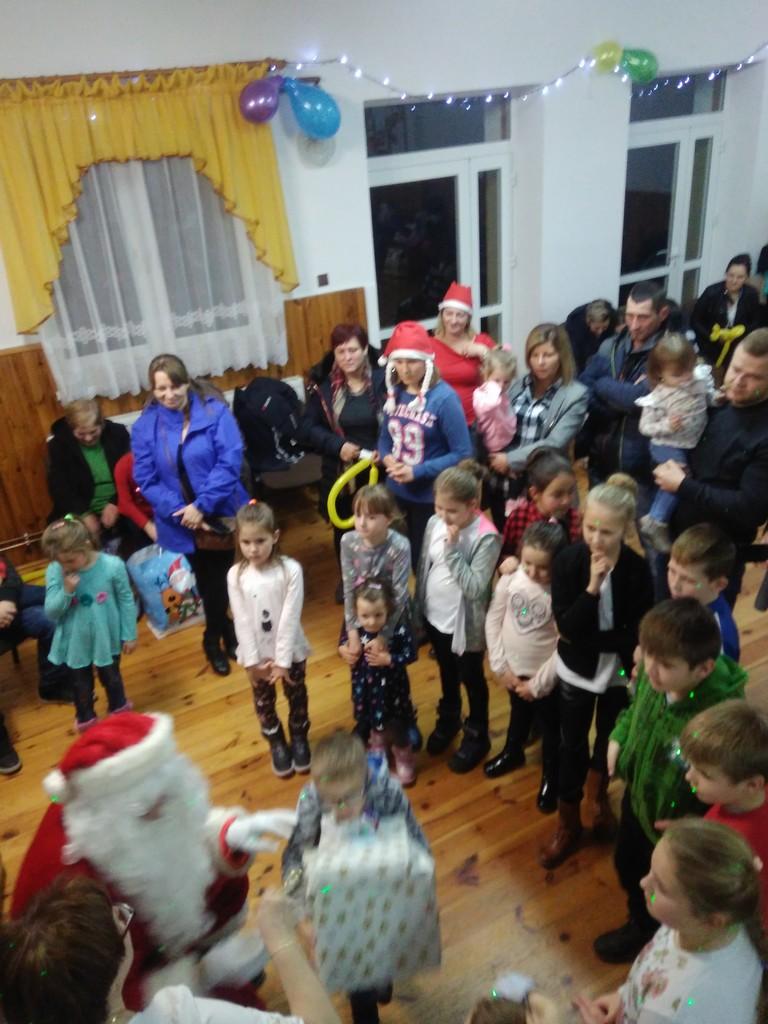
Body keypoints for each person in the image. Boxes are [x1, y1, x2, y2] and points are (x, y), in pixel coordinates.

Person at [11, 711, 297, 1010]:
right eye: (148, 807)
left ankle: (207, 954)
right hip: (116, 980)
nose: (164, 805)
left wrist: (225, 837)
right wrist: (203, 974)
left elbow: (178, 828)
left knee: (224, 885)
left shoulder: (125, 816)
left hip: (151, 933)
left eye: (168, 790)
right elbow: (106, 994)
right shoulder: (72, 882)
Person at [593, 599, 746, 963]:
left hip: (679, 829)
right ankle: (640, 917)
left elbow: (731, 792)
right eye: (648, 655)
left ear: (703, 669)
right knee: (628, 866)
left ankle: (649, 932)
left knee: (666, 891)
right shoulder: (654, 678)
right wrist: (619, 736)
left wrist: (698, 828)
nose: (650, 670)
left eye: (664, 664)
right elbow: (634, 709)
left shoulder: (719, 721)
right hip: (638, 800)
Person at [0, 876, 342, 1024]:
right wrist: (280, 936)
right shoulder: (177, 1013)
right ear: (113, 974)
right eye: (119, 919)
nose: (124, 916)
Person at [539, 475, 654, 871]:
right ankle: (568, 821)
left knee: (608, 738)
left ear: (625, 529)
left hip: (618, 673)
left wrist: (591, 638)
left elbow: (637, 628)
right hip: (577, 673)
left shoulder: (637, 569)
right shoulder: (569, 562)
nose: (596, 539)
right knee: (571, 744)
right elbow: (568, 627)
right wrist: (592, 588)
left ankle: (599, 798)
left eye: (607, 532)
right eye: (590, 528)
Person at [282, 730, 429, 1024]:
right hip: (334, 899)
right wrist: (303, 917)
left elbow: (417, 845)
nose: (340, 810)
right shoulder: (311, 801)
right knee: (358, 984)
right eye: (331, 801)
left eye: (348, 799)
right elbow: (294, 859)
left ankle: (382, 978)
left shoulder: (388, 793)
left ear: (365, 782)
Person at [576, 819, 764, 1024]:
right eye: (651, 872)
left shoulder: (673, 1009)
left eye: (660, 887)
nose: (643, 883)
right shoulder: (714, 924)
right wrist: (624, 997)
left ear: (711, 919)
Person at [131, 353, 248, 676]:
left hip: (220, 512)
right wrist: (181, 511)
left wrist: (202, 506)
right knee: (208, 583)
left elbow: (230, 462)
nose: (169, 395)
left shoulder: (215, 412)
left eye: (175, 386)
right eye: (161, 389)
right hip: (180, 521)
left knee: (222, 580)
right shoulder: (144, 427)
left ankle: (215, 637)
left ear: (187, 382)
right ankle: (221, 635)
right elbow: (146, 479)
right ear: (153, 390)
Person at [654, 329, 768, 607]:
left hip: (712, 564)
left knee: (701, 630)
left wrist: (683, 486)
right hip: (675, 544)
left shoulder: (763, 433)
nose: (738, 382)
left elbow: (749, 508)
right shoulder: (717, 403)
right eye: (735, 369)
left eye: (753, 377)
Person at [415, 461, 501, 773]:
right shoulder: (434, 523)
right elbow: (424, 565)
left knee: (471, 679)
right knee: (446, 671)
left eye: (451, 510)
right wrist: (419, 608)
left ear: (472, 505)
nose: (443, 516)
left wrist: (452, 550)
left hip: (464, 626)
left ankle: (477, 735)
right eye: (438, 507)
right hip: (435, 616)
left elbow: (476, 587)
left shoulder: (486, 537)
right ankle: (449, 717)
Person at [483, 523, 566, 814]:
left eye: (543, 567)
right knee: (518, 713)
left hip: (544, 680)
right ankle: (512, 750)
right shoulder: (511, 579)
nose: (533, 572)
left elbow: (563, 645)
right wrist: (500, 665)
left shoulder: (562, 593)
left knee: (551, 728)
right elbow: (494, 620)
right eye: (528, 563)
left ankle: (551, 775)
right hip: (512, 672)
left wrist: (538, 684)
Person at [378, 321, 473, 569]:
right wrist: (387, 458)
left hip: (430, 497)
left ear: (427, 362)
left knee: (425, 563)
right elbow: (384, 439)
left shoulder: (444, 398)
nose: (405, 369)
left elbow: (462, 452)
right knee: (395, 560)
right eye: (399, 362)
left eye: (412, 361)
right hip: (395, 493)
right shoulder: (394, 393)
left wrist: (417, 471)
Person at [227, 501, 311, 779]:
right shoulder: (236, 575)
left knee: (297, 695)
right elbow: (241, 620)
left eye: (260, 541)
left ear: (274, 536)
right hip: (258, 656)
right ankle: (276, 741)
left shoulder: (290, 570)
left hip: (291, 652)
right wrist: (252, 663)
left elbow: (290, 617)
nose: (253, 549)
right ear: (238, 540)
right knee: (264, 702)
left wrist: (283, 661)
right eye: (246, 542)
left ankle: (299, 736)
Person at [300, 324, 386, 593]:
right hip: (341, 471)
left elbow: (398, 418)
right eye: (341, 352)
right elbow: (308, 428)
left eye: (353, 350)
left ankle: (379, 577)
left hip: (380, 469)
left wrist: (385, 449)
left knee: (378, 524)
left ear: (365, 350)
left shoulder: (385, 378)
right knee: (345, 531)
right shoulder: (323, 387)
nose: (347, 357)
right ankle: (349, 579)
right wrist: (338, 446)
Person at [338, 483, 420, 751]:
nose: (362, 523)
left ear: (389, 518)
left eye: (371, 516)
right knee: (361, 671)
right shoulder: (348, 542)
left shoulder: (400, 545)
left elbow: (399, 594)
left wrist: (384, 636)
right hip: (360, 615)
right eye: (358, 515)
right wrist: (352, 633)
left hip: (391, 617)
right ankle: (366, 720)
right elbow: (348, 589)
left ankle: (404, 719)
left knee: (394, 673)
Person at [580, 281, 670, 514]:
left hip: (643, 466)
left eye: (643, 317)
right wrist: (613, 406)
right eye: (630, 316)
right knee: (598, 523)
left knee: (641, 531)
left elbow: (639, 399)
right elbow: (583, 387)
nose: (634, 325)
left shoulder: (670, 353)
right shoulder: (610, 346)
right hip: (600, 457)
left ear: (662, 314)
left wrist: (602, 384)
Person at [487, 324, 587, 530]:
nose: (540, 362)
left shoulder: (575, 395)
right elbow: (496, 422)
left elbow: (554, 443)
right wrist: (493, 456)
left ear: (561, 355)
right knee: (506, 536)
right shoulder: (516, 385)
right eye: (534, 355)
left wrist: (510, 459)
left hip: (543, 486)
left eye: (548, 355)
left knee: (540, 541)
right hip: (504, 482)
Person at [41, 515, 136, 733]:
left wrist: (129, 634)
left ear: (85, 544)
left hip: (106, 636)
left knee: (112, 678)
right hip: (75, 641)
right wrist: (66, 590)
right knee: (80, 686)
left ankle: (120, 713)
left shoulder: (112, 565)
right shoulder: (56, 569)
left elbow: (126, 599)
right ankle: (87, 721)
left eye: (70, 561)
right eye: (60, 562)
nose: (65, 567)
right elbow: (51, 611)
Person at [680, 700, 768, 927]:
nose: (689, 777)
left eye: (705, 774)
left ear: (751, 785)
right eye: (690, 765)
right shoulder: (734, 800)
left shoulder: (737, 843)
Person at [635, 333, 710, 553]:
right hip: (665, 444)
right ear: (660, 373)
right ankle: (657, 521)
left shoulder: (697, 382)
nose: (686, 378)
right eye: (677, 374)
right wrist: (667, 425)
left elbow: (707, 397)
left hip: (689, 443)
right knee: (680, 478)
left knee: (680, 481)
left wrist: (718, 398)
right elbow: (645, 427)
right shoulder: (658, 396)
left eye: (689, 370)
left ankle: (654, 517)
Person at [0, 552, 73, 774]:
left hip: (7, 610)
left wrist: (6, 599)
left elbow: (9, 572)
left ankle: (52, 687)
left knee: (51, 620)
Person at [339, 579, 417, 785]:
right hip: (366, 688)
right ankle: (378, 747)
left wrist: (389, 659)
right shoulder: (354, 629)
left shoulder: (398, 628)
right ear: (356, 612)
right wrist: (344, 650)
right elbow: (343, 642)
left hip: (393, 690)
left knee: (397, 725)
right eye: (365, 616)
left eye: (378, 615)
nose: (372, 622)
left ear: (388, 610)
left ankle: (404, 756)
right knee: (373, 720)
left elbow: (411, 654)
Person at [46, 398, 132, 547]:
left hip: (121, 500)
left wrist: (115, 503)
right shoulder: (59, 445)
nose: (88, 438)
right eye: (81, 434)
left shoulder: (118, 434)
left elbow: (131, 474)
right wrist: (84, 514)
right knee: (69, 539)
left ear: (101, 424)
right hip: (79, 508)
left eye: (93, 432)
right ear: (71, 428)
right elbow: (59, 488)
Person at [497, 448, 581, 575]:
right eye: (558, 495)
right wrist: (508, 562)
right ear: (535, 493)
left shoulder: (575, 520)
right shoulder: (518, 517)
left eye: (570, 492)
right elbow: (504, 554)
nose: (566, 501)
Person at [667, 524, 740, 660]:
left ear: (718, 584)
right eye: (672, 571)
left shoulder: (717, 642)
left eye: (688, 580)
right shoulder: (684, 600)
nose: (674, 585)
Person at [431, 281, 496, 424]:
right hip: (439, 421)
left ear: (468, 319)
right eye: (449, 314)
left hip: (477, 421)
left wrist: (483, 352)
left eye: (460, 315)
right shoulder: (429, 345)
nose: (453, 320)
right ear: (442, 315)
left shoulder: (482, 341)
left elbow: (505, 371)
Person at [691, 254, 761, 375]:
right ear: (726, 274)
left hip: (738, 345)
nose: (734, 281)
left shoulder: (751, 295)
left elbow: (756, 322)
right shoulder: (711, 292)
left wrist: (737, 336)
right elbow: (695, 321)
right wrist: (714, 337)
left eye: (740, 277)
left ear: (747, 278)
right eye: (731, 275)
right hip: (710, 346)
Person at [472, 347, 518, 453]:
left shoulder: (503, 395)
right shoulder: (480, 394)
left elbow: (508, 413)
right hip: (488, 447)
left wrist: (511, 425)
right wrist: (493, 388)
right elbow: (490, 405)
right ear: (486, 376)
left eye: (506, 382)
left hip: (507, 442)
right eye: (496, 380)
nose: (501, 386)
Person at [114, 451, 158, 545]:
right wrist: (148, 526)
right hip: (138, 513)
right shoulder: (123, 466)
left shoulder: (162, 459)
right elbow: (125, 503)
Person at [563, 298, 618, 374]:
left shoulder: (613, 317)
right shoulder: (575, 324)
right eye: (596, 328)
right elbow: (576, 355)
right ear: (588, 322)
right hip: (576, 342)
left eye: (604, 327)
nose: (600, 332)